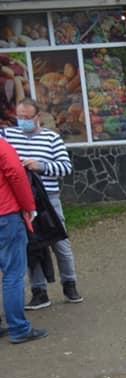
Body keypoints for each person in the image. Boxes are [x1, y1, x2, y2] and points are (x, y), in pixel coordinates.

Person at [1, 98, 80, 309]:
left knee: (60, 243)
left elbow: (65, 168)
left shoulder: (51, 138)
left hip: (48, 199)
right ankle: (39, 291)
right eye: (19, 117)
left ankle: (70, 284)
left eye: (27, 117)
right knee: (31, 246)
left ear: (37, 117)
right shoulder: (7, 136)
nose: (23, 121)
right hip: (20, 199)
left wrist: (41, 166)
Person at [0, 136, 45, 344]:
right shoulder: (2, 146)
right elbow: (17, 175)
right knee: (13, 273)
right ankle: (18, 328)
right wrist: (29, 206)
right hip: (5, 215)